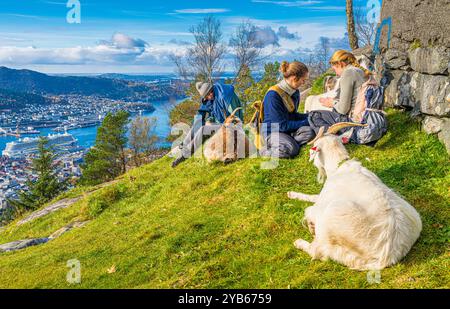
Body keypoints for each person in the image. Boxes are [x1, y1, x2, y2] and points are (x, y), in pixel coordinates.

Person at [171, 81, 243, 168]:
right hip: (219, 124)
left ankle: (184, 155)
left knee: (203, 130)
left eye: (209, 94)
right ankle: (184, 146)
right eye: (207, 96)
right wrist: (209, 120)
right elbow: (206, 116)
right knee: (197, 125)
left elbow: (236, 118)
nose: (209, 97)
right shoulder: (210, 99)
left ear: (211, 90)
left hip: (230, 126)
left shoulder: (226, 96)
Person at [261, 61, 315, 159]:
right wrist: (307, 121)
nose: (304, 83)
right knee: (292, 149)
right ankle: (266, 151)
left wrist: (311, 116)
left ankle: (287, 142)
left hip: (287, 130)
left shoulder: (294, 92)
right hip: (273, 132)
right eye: (303, 80)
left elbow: (293, 115)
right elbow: (281, 126)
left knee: (311, 132)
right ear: (294, 79)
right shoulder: (273, 95)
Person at [308, 50, 370, 134]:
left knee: (313, 115)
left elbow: (343, 110)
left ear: (341, 64)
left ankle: (330, 137)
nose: (336, 74)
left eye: (335, 69)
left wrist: (331, 103)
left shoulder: (348, 73)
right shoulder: (360, 71)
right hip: (368, 119)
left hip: (357, 124)